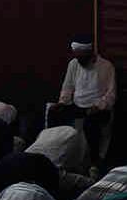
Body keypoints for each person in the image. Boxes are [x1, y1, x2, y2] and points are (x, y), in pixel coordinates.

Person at [49, 38, 116, 167]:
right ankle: (55, 155)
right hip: (77, 105)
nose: (79, 60)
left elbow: (111, 95)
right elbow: (67, 87)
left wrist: (98, 106)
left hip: (98, 109)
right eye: (77, 57)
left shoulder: (106, 66)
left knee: (90, 124)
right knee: (53, 112)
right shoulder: (74, 64)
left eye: (82, 57)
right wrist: (62, 102)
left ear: (90, 53)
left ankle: (94, 163)